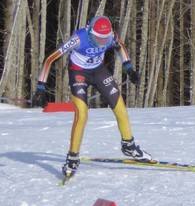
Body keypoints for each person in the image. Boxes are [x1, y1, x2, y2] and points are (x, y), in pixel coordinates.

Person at [31, 15, 152, 178]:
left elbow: (120, 46)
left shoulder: (110, 37)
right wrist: (41, 86)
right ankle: (72, 158)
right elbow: (51, 58)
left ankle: (128, 145)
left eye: (105, 38)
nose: (102, 41)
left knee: (121, 109)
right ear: (90, 32)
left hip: (99, 71)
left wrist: (129, 68)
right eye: (98, 38)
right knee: (82, 115)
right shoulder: (78, 38)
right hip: (78, 72)